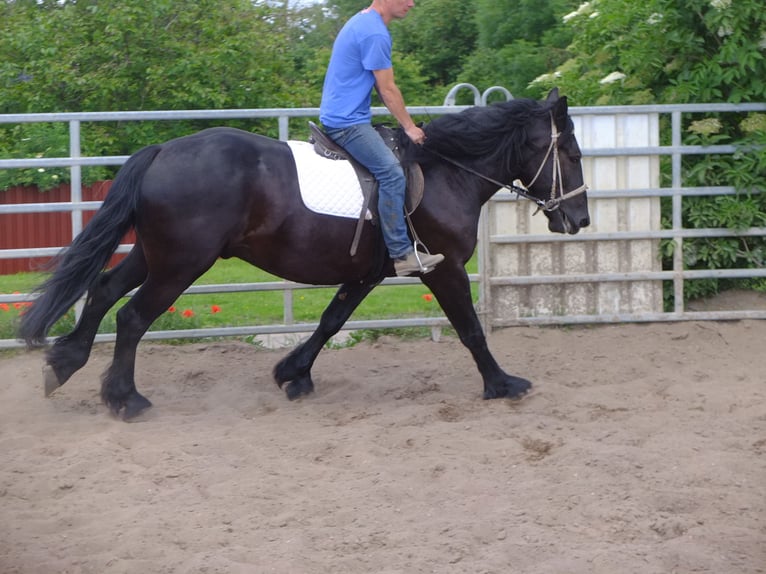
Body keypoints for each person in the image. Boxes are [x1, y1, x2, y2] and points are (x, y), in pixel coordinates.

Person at [319, 0, 444, 277]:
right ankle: (401, 254)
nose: (412, 3)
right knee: (391, 173)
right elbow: (386, 89)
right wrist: (410, 127)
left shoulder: (363, 21)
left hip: (347, 116)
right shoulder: (374, 33)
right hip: (347, 124)